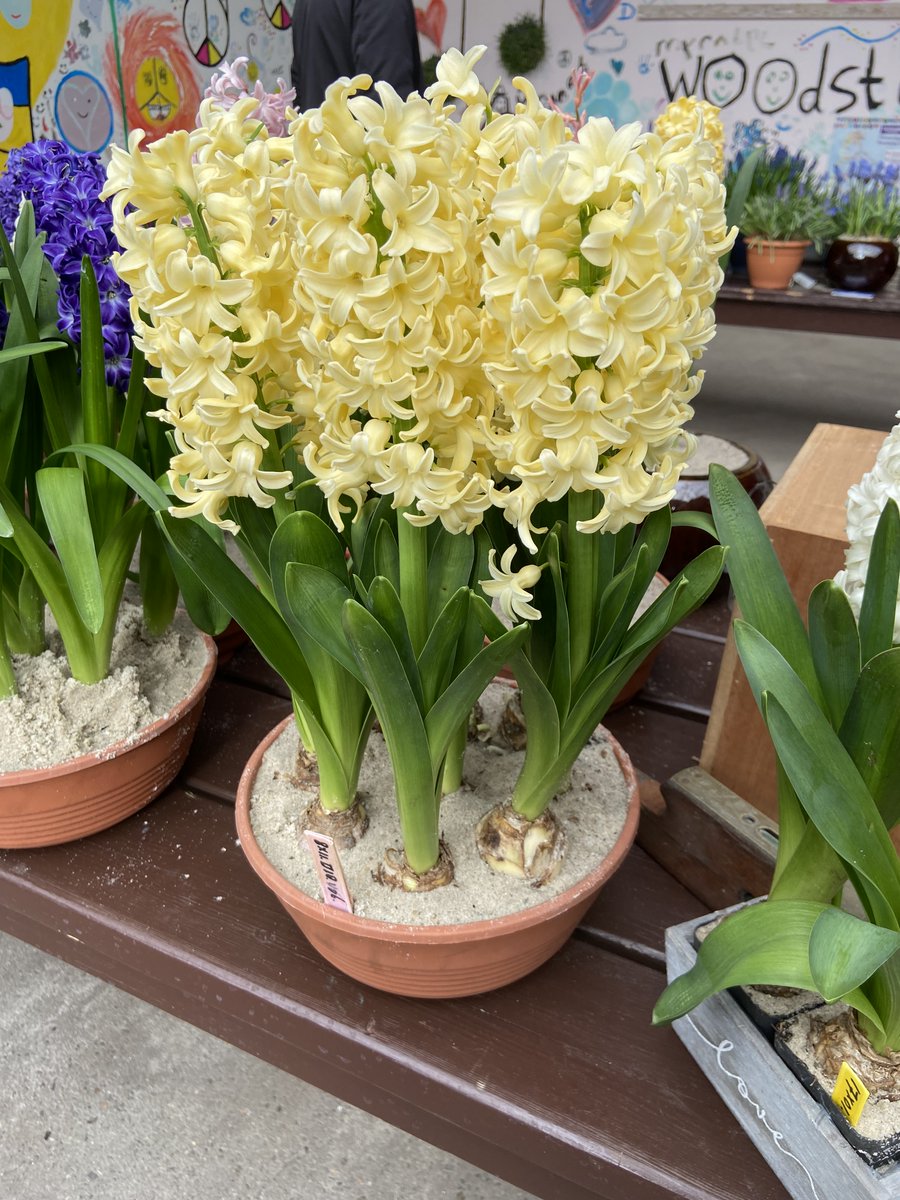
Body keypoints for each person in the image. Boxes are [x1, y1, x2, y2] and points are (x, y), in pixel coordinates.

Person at [290, 0, 425, 111]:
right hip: (359, 141)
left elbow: (299, 88)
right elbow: (389, 102)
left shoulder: (304, 4)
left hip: (318, 139)